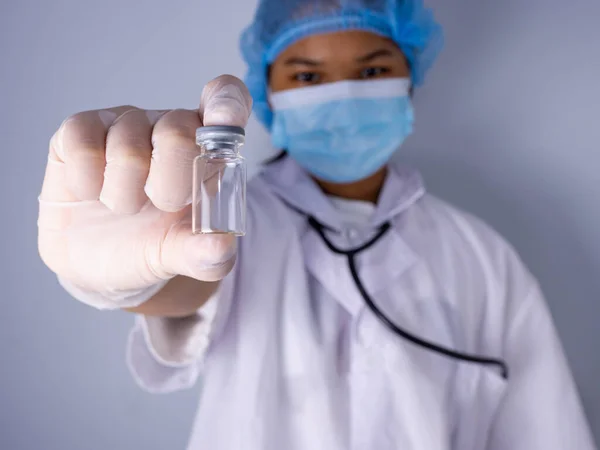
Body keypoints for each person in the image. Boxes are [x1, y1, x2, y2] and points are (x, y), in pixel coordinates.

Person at [37, 0, 596, 449]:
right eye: (308, 75)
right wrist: (133, 279)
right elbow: (186, 285)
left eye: (373, 69)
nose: (344, 94)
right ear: (270, 92)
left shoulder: (482, 257)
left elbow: (545, 429)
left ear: (410, 78)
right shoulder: (225, 216)